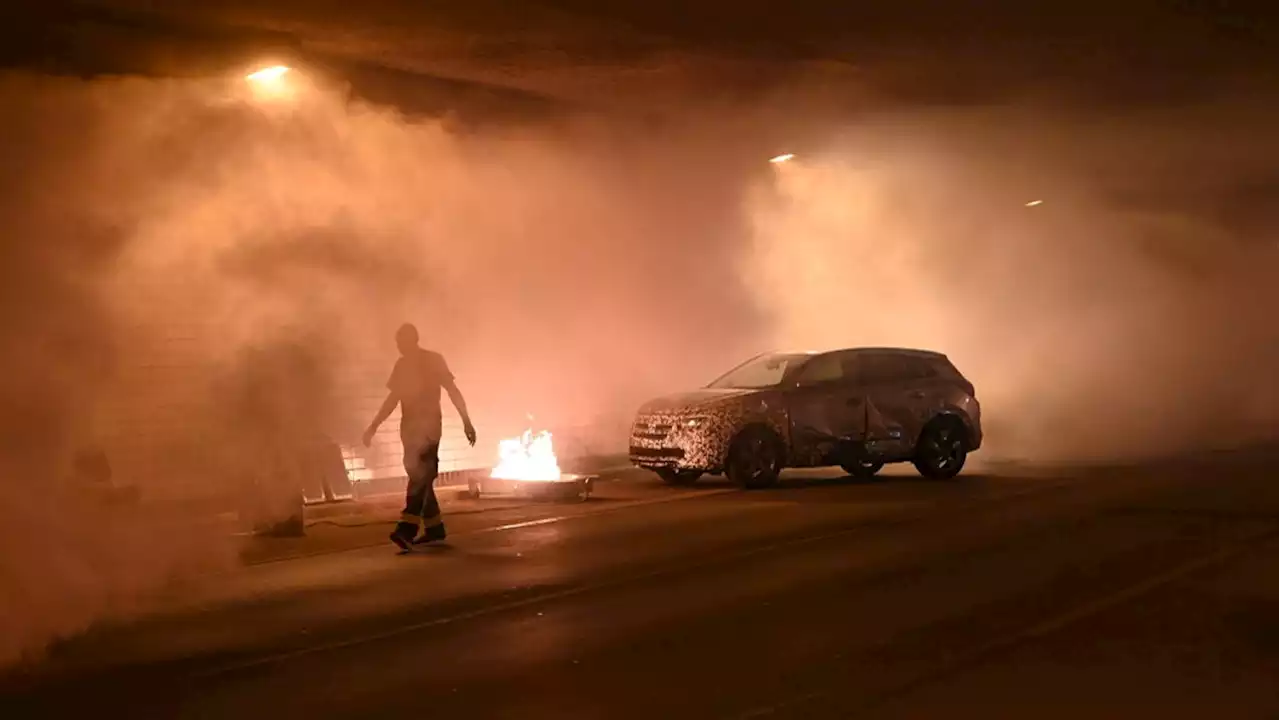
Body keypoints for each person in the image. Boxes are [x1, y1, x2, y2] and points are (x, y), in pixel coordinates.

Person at [363, 323, 476, 551]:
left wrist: (466, 421)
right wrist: (374, 425)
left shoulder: (433, 360)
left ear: (412, 340)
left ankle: (406, 529)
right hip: (409, 428)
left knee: (421, 475)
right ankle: (435, 528)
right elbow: (393, 399)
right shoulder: (402, 365)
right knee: (420, 477)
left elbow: (452, 390)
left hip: (429, 427)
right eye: (397, 343)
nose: (398, 347)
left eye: (401, 342)